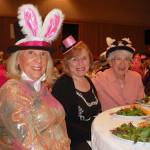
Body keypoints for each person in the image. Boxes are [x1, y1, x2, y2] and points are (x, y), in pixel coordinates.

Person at [0, 4, 70, 149]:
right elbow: (29, 144)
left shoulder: (41, 88)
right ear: (18, 59)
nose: (39, 60)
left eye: (43, 54)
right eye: (31, 52)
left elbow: (60, 127)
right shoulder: (13, 91)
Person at [52, 35, 102, 150]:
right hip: (74, 140)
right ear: (66, 63)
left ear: (89, 59)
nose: (80, 63)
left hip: (94, 134)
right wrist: (94, 135)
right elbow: (65, 125)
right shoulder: (63, 85)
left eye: (84, 58)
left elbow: (98, 111)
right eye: (74, 59)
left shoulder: (88, 80)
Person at [92, 37, 145, 111]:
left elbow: (141, 104)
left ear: (130, 62)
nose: (122, 64)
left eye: (126, 59)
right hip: (108, 121)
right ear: (110, 62)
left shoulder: (136, 78)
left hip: (134, 120)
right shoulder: (100, 79)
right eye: (118, 59)